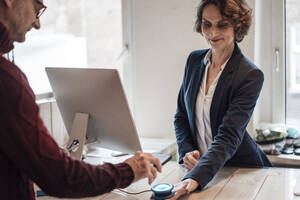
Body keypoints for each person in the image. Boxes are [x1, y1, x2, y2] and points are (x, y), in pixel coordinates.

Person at [0, 0, 162, 199]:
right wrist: (129, 169)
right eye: (37, 7)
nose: (37, 24)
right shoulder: (6, 81)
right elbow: (58, 176)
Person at [173, 0, 272, 195]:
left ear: (238, 26)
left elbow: (229, 136)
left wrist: (194, 177)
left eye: (222, 24)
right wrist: (187, 152)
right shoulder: (194, 61)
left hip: (240, 172)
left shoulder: (250, 75)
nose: (212, 33)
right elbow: (181, 116)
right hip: (201, 171)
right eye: (207, 24)